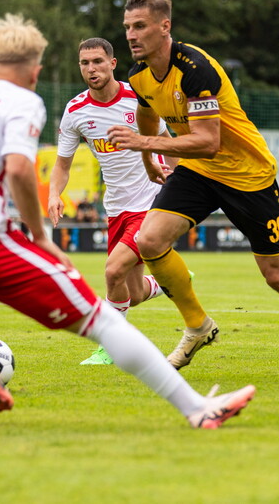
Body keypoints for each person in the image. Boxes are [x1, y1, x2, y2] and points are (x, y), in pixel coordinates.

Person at [0, 13, 254, 427]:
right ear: (34, 72)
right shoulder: (27, 100)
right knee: (101, 320)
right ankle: (198, 409)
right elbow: (21, 170)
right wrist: (41, 236)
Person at [108, 0, 279, 380]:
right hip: (200, 171)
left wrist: (146, 145)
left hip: (247, 175)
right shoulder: (139, 74)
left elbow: (209, 141)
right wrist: (148, 161)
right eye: (127, 27)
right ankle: (198, 326)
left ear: (165, 27)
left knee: (278, 275)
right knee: (150, 240)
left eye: (140, 26)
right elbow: (146, 112)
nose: (131, 35)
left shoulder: (195, 68)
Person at [48, 37, 171, 366]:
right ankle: (170, 281)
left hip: (150, 201)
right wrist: (53, 194)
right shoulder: (75, 111)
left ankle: (111, 347)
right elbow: (62, 164)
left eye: (98, 62)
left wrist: (177, 177)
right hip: (116, 208)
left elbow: (166, 141)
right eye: (85, 63)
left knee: (113, 271)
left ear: (112, 64)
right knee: (135, 292)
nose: (92, 69)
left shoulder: (138, 98)